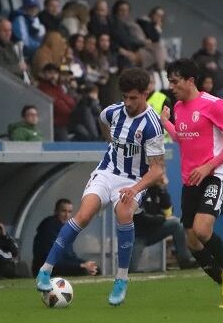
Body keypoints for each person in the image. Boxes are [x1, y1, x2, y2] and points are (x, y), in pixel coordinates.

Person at [35, 68, 166, 306]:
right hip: (107, 172)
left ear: (145, 93)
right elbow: (102, 120)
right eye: (124, 96)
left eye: (133, 97)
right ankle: (45, 270)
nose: (127, 102)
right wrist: (110, 141)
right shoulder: (114, 111)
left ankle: (121, 279)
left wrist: (135, 189)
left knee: (124, 213)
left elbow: (157, 170)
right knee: (83, 215)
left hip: (133, 180)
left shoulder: (152, 125)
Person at [160, 59, 223, 308]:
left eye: (175, 81)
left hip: (214, 175)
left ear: (190, 81)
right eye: (169, 82)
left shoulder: (215, 105)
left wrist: (208, 165)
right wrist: (167, 123)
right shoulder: (178, 107)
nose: (171, 87)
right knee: (193, 241)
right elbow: (183, 139)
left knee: (202, 230)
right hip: (190, 180)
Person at [131, 181, 196, 272]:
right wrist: (162, 218)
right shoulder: (139, 190)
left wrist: (163, 190)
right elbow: (141, 218)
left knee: (177, 224)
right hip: (137, 236)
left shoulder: (159, 190)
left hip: (154, 232)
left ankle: (185, 260)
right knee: (131, 270)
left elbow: (168, 211)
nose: (162, 176)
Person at [32, 199, 99, 277]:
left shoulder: (66, 229)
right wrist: (80, 265)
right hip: (48, 268)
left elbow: (70, 256)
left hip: (60, 266)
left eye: (69, 212)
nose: (67, 215)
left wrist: (85, 263)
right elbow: (53, 258)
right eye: (64, 211)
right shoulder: (49, 228)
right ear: (56, 212)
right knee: (83, 270)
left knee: (95, 269)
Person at [37, 64, 76, 141]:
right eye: (50, 73)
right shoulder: (42, 88)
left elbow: (72, 103)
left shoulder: (59, 88)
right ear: (44, 74)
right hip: (54, 124)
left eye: (55, 73)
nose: (53, 75)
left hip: (66, 121)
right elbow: (58, 105)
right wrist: (64, 102)